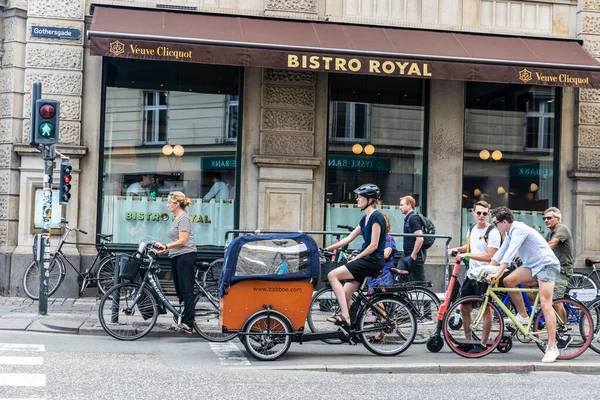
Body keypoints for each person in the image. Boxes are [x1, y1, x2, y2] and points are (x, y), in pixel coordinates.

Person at [487, 206, 561, 363]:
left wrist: (498, 272)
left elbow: (510, 252)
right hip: (532, 265)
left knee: (546, 304)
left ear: (505, 222)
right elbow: (501, 252)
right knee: (509, 281)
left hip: (546, 265)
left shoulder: (519, 229)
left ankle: (552, 347)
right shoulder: (509, 232)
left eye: (495, 223)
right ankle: (523, 316)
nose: (495, 227)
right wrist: (486, 270)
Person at [324, 184, 387, 327]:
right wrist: (327, 248)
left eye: (360, 197)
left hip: (372, 260)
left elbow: (374, 245)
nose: (357, 199)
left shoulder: (377, 217)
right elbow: (349, 238)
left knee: (332, 275)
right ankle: (353, 326)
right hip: (366, 260)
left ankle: (345, 316)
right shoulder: (364, 219)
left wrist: (357, 258)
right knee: (346, 293)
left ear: (370, 199)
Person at [447, 200, 501, 353]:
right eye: (479, 213)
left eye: (484, 213)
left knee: (486, 310)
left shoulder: (493, 231)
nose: (481, 216)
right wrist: (457, 249)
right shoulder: (471, 229)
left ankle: (483, 344)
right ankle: (469, 340)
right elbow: (469, 246)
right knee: (465, 307)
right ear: (473, 214)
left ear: (489, 215)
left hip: (485, 275)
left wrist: (467, 254)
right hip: (471, 273)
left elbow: (490, 255)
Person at [154, 191, 197, 334]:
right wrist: (163, 249)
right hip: (176, 256)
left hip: (185, 257)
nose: (167, 205)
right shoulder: (177, 218)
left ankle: (188, 323)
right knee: (180, 291)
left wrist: (166, 246)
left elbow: (183, 241)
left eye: (169, 202)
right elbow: (176, 242)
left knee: (186, 290)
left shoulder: (184, 218)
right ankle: (181, 320)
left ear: (177, 203)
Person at [544, 206, 574, 348]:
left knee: (555, 300)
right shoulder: (549, 233)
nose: (546, 220)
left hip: (562, 271)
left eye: (549, 218)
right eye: (544, 218)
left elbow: (551, 245)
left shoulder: (561, 228)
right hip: (551, 270)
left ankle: (563, 332)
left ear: (558, 218)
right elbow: (540, 245)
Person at [398, 196, 426, 282]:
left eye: (402, 205)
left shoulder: (413, 218)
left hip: (414, 256)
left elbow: (420, 238)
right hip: (406, 254)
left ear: (409, 205)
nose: (400, 208)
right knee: (400, 278)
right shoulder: (408, 219)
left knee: (419, 283)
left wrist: (413, 255)